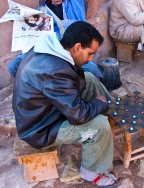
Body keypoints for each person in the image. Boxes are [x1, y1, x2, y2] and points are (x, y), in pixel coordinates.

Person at [12, 21, 121, 187]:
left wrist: (100, 104)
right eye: (90, 53)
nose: (91, 59)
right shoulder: (56, 71)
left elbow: (68, 86)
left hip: (45, 110)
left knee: (89, 78)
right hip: (40, 129)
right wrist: (99, 104)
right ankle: (92, 171)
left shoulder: (52, 47)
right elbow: (78, 115)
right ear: (76, 47)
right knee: (99, 125)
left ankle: (114, 111)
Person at [7, 0, 103, 80]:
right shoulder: (40, 11)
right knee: (14, 66)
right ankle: (36, 89)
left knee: (94, 72)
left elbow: (80, 25)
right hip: (49, 50)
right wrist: (20, 20)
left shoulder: (74, 3)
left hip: (70, 49)